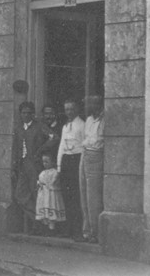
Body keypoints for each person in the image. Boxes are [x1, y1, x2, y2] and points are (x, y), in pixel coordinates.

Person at [12, 101, 49, 234]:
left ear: (33, 114)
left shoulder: (39, 126)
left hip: (34, 165)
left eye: (29, 113)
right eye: (24, 113)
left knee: (35, 194)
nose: (26, 115)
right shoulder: (18, 128)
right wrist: (14, 166)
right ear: (20, 114)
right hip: (22, 166)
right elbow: (15, 148)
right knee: (20, 195)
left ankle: (40, 225)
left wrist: (41, 151)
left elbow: (53, 137)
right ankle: (37, 220)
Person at [57, 99, 85, 241]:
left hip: (77, 159)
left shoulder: (82, 125)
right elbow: (62, 146)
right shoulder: (65, 126)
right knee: (67, 197)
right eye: (66, 109)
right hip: (66, 160)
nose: (69, 112)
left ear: (77, 109)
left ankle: (77, 230)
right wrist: (59, 167)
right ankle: (67, 229)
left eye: (71, 109)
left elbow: (83, 146)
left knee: (76, 196)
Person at [80, 94, 105, 244]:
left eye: (94, 104)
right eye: (89, 104)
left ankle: (95, 232)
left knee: (93, 196)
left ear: (100, 104)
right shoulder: (89, 120)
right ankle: (87, 231)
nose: (90, 107)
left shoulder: (104, 120)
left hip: (96, 156)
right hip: (85, 154)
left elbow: (100, 142)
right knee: (83, 193)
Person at [36, 152, 65, 234]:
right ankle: (46, 227)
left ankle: (52, 228)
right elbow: (40, 180)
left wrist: (48, 184)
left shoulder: (54, 172)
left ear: (52, 162)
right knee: (45, 209)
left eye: (47, 162)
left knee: (52, 207)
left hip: (51, 194)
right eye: (43, 162)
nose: (45, 164)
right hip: (44, 194)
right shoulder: (42, 173)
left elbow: (53, 183)